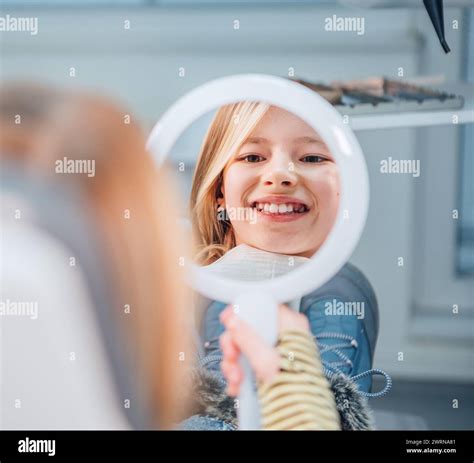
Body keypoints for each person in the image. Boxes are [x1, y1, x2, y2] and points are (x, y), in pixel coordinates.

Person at [181, 101, 391, 430]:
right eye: (252, 157)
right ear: (219, 189)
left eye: (311, 157)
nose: (280, 175)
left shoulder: (340, 292)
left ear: (342, 190)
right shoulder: (192, 286)